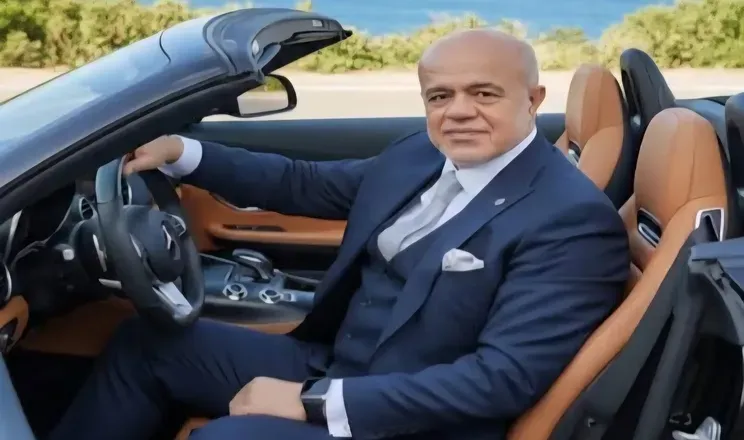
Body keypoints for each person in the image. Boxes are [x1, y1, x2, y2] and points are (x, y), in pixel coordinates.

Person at [49, 29, 629, 440]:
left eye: (483, 93)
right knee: (149, 341)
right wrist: (181, 152)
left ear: (533, 100)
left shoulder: (571, 220)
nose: (457, 112)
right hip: (336, 361)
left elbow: (502, 379)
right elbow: (306, 184)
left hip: (418, 421)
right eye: (440, 96)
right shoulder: (423, 154)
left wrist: (315, 402)